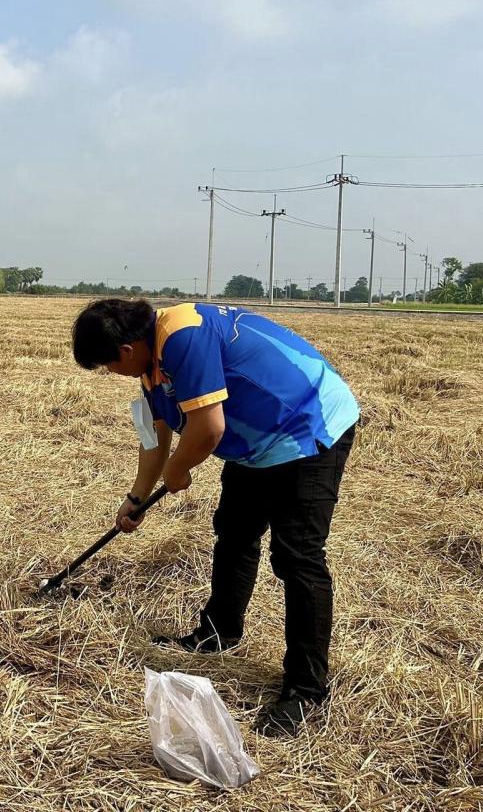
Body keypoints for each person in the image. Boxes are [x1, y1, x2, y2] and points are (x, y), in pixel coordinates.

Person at [71, 298, 359, 737]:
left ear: (125, 351)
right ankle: (219, 633)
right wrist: (136, 497)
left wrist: (179, 468)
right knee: (235, 532)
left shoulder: (183, 335)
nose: (110, 374)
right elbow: (158, 437)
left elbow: (208, 430)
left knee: (297, 556)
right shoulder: (151, 364)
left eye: (107, 366)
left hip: (306, 423)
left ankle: (306, 688)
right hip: (257, 443)